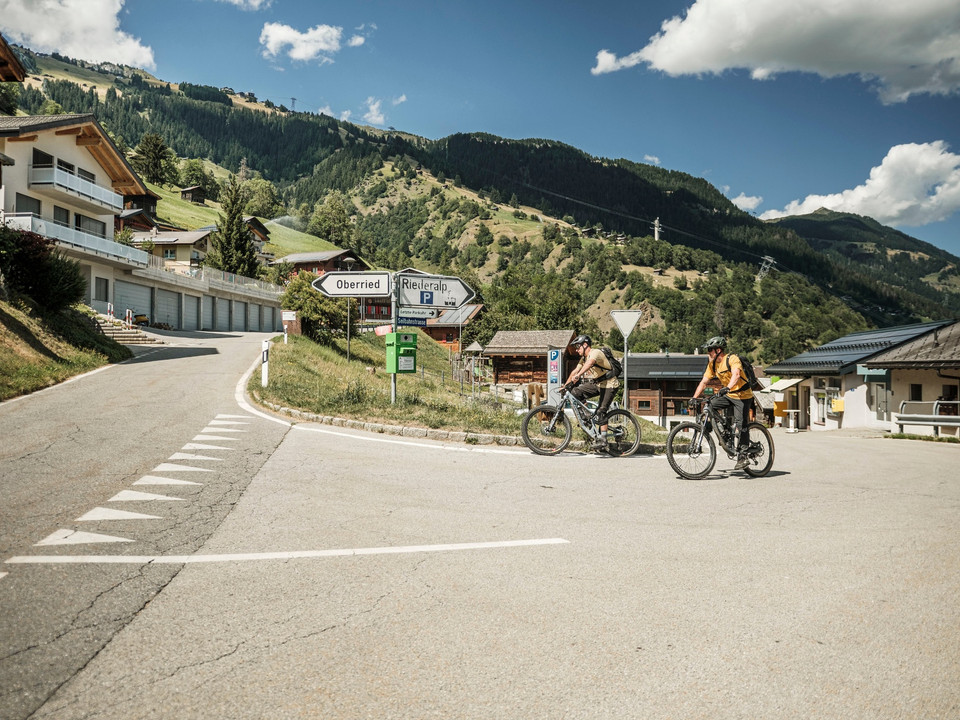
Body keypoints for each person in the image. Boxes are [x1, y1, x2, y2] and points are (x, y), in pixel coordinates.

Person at [692, 335, 756, 470]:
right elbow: (704, 382)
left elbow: (736, 375)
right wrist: (694, 397)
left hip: (743, 396)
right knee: (710, 405)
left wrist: (727, 387)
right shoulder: (713, 364)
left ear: (718, 350)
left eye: (710, 350)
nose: (708, 352)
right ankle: (724, 430)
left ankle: (743, 455)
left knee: (741, 423)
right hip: (729, 395)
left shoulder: (732, 359)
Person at [562, 334, 619, 451]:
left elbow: (590, 364)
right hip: (598, 384)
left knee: (601, 411)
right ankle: (586, 417)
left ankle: (603, 440)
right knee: (575, 392)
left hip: (609, 384)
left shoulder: (595, 353)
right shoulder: (583, 358)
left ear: (585, 345)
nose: (576, 350)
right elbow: (575, 371)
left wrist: (578, 376)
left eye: (578, 347)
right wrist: (565, 386)